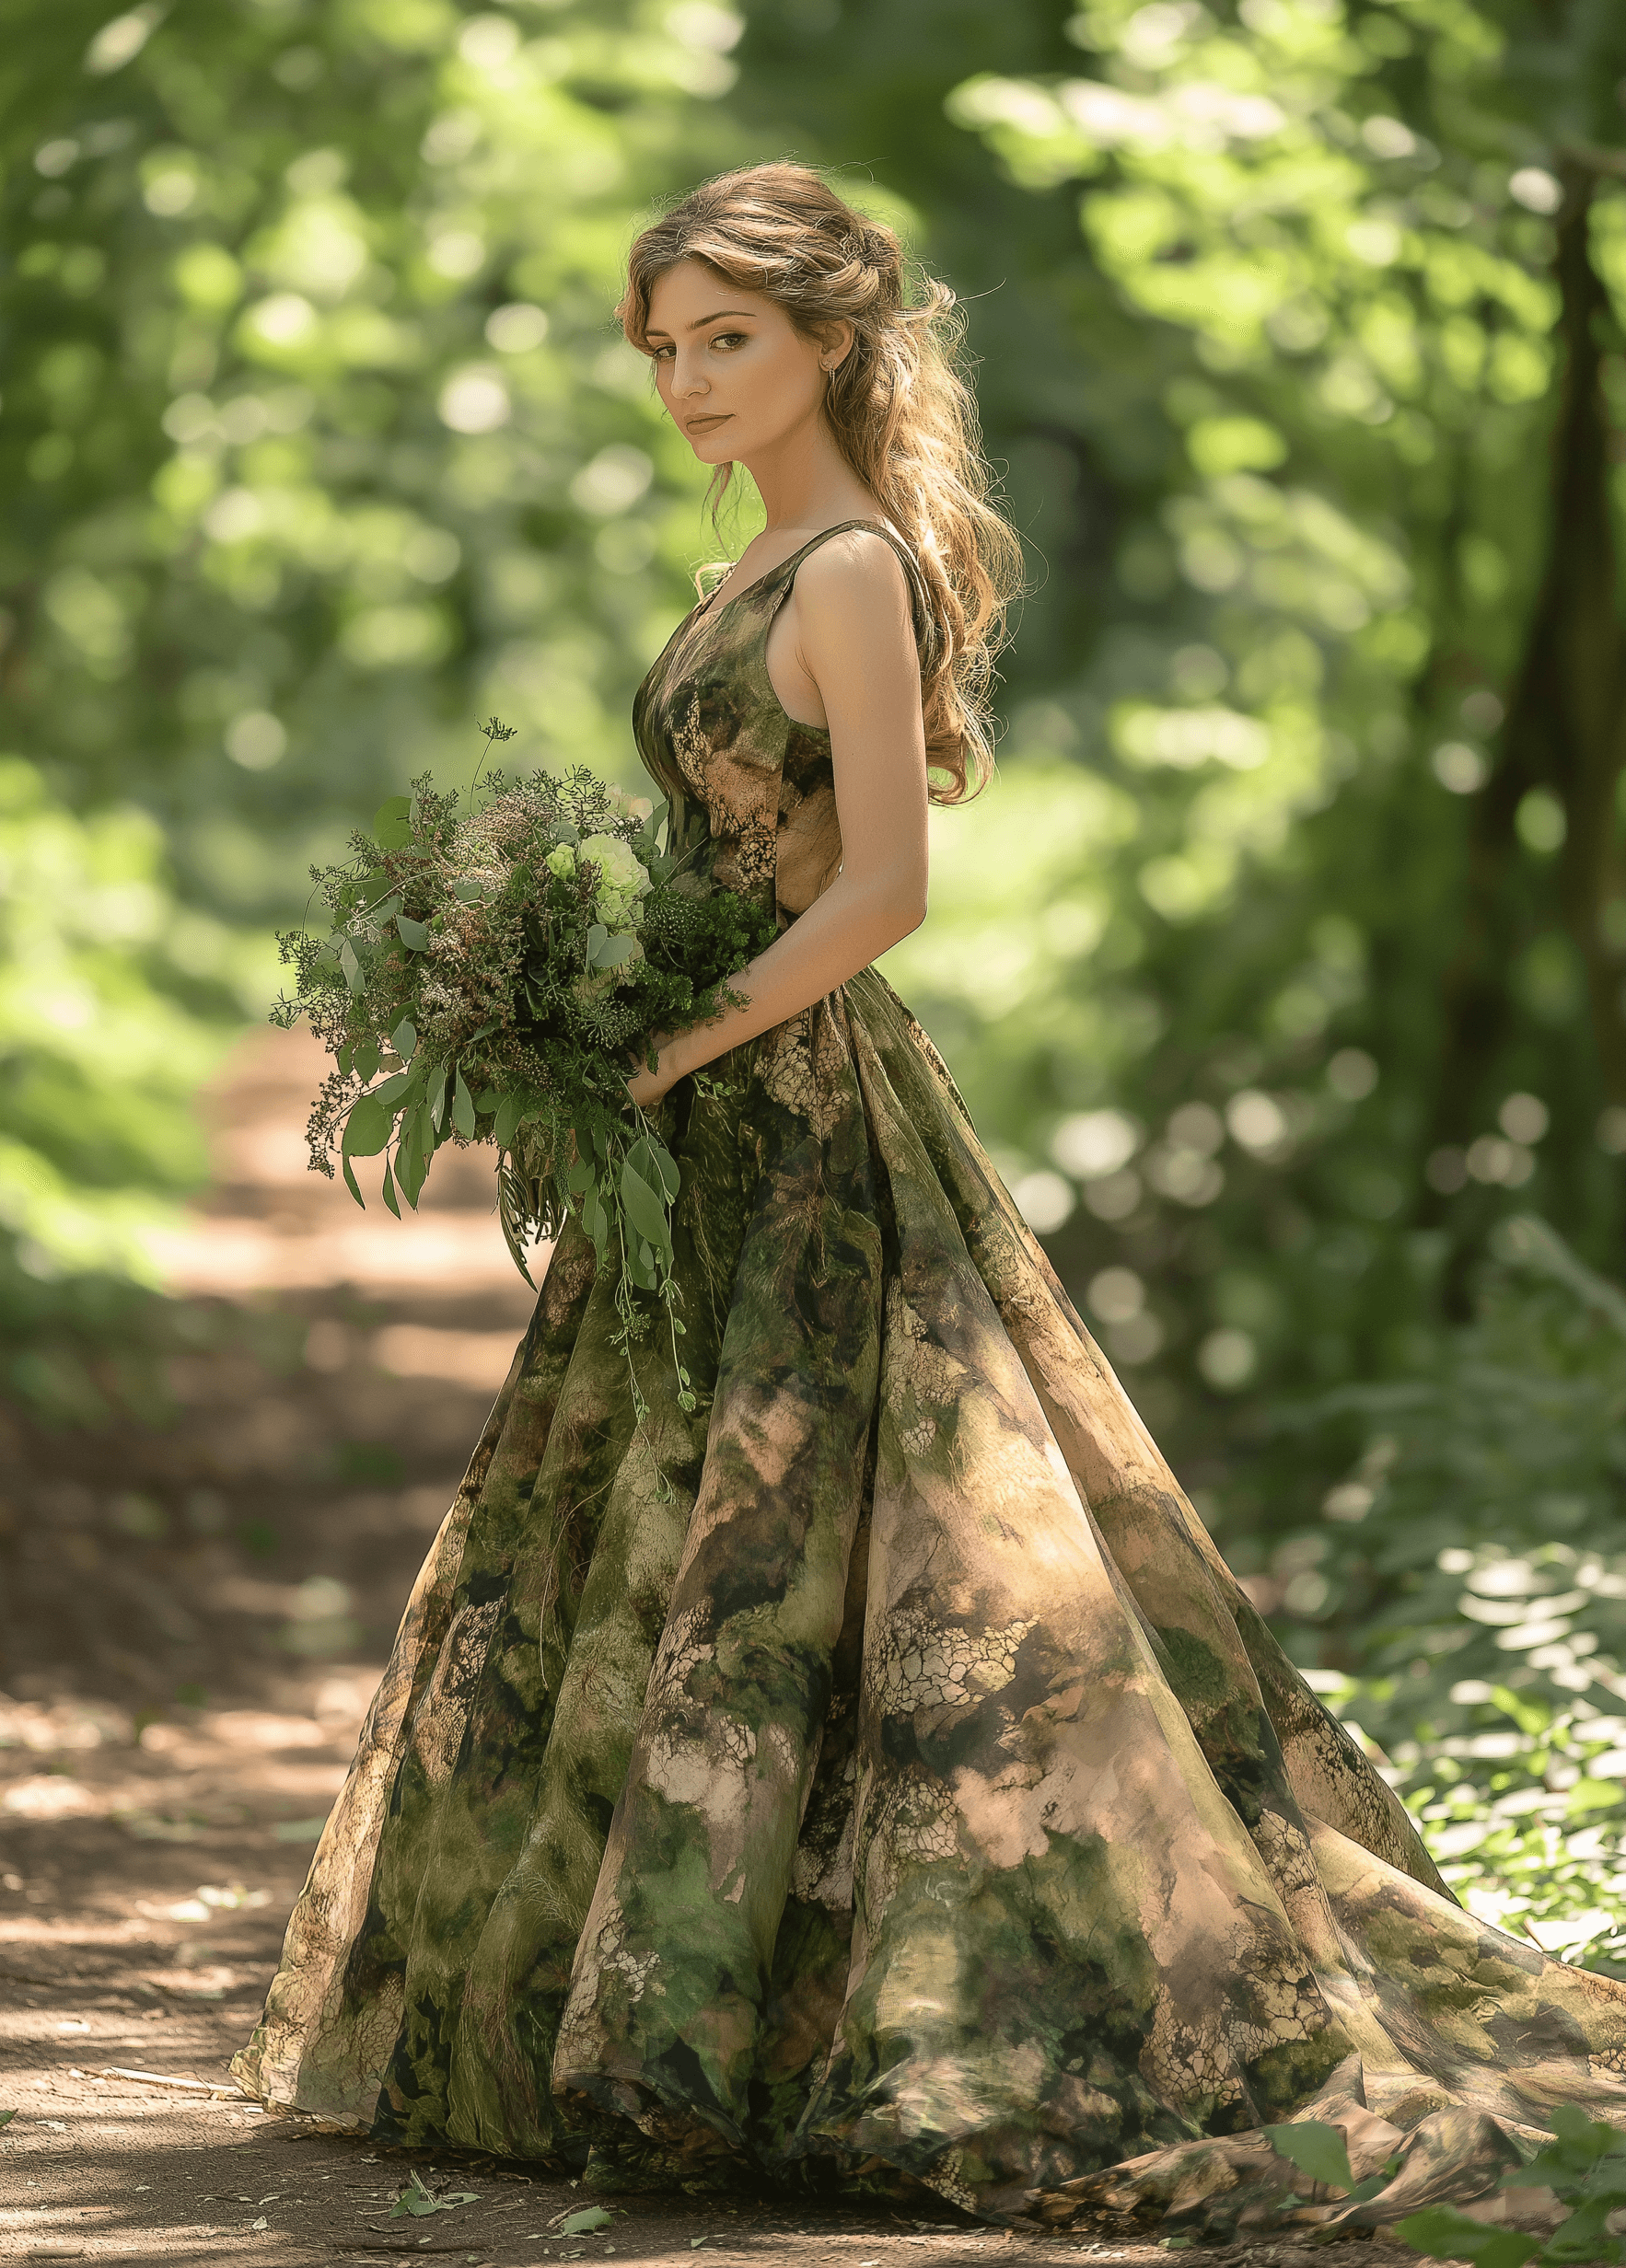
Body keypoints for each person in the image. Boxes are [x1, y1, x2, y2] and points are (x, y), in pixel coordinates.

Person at [234, 165, 1626, 2234]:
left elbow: (881, 888)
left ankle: (799, 2023)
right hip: (699, 1127)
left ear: (828, 342)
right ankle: (666, 2009)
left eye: (729, 337)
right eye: (668, 345)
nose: (691, 379)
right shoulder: (761, 556)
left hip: (798, 1129)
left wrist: (666, 1042)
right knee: (670, 1548)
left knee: (849, 1569)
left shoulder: (856, 566)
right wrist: (566, 990)